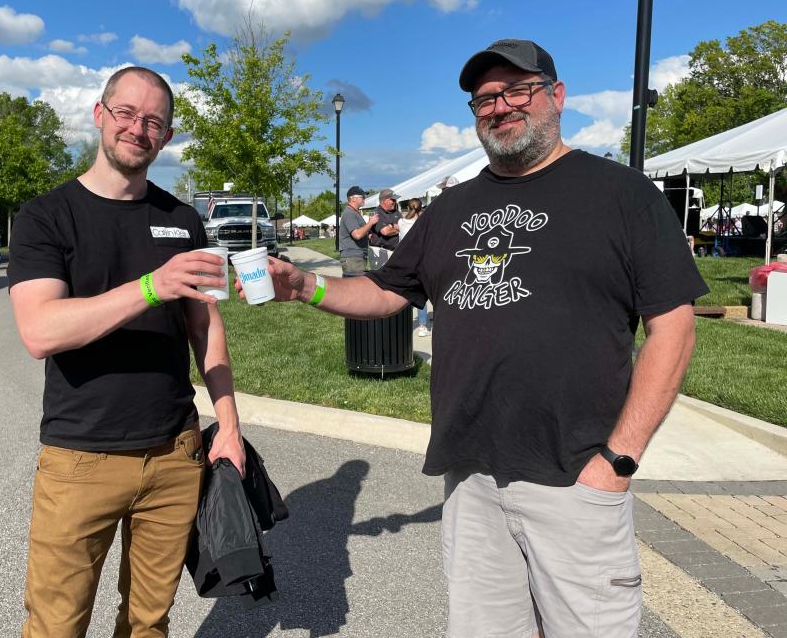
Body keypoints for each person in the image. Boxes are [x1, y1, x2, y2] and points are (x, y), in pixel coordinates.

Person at [238, 39, 706, 638]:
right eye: (484, 98)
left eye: (518, 90)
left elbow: (675, 327)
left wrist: (618, 459)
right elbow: (387, 291)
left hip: (576, 476)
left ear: (557, 97)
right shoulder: (450, 208)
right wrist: (304, 286)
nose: (500, 106)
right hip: (472, 476)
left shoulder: (621, 195)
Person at [8, 66, 245, 638]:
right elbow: (40, 331)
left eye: (155, 122)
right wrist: (149, 287)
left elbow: (206, 328)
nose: (139, 129)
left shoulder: (183, 220)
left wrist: (230, 427)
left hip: (173, 455)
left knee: (148, 622)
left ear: (166, 137)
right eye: (127, 114)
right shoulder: (46, 216)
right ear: (99, 114)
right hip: (80, 457)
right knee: (56, 625)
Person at [397, 198, 429, 336]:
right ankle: (422, 326)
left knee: (404, 292)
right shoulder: (423, 223)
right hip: (420, 261)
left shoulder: (401, 222)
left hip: (404, 260)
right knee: (420, 293)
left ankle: (403, 322)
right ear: (420, 208)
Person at [337, 185, 380, 275]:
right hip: (353, 258)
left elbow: (360, 233)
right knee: (354, 287)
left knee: (355, 287)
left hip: (356, 257)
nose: (364, 199)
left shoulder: (354, 213)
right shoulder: (349, 213)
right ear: (352, 199)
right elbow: (357, 235)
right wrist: (370, 223)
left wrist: (368, 234)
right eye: (362, 197)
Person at [367, 189, 400, 268]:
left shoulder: (396, 212)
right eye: (393, 200)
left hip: (394, 251)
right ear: (384, 200)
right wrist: (398, 228)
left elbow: (403, 226)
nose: (395, 202)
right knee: (379, 279)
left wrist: (391, 226)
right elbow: (385, 231)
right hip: (380, 252)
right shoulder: (376, 213)